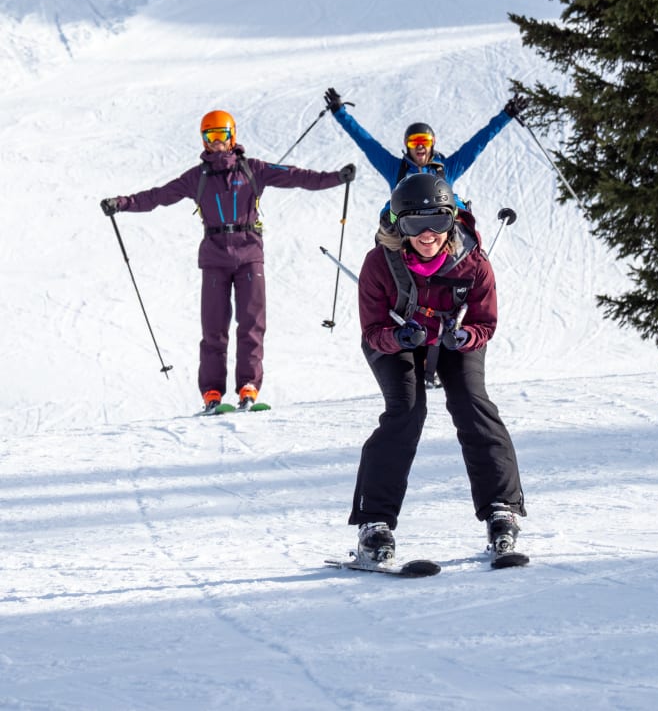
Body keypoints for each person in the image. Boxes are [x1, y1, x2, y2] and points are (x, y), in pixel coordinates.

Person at [101, 109, 356, 413]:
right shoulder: (196, 178)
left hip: (249, 255)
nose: (217, 142)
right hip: (214, 258)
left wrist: (336, 178)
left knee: (251, 325)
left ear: (232, 135)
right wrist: (121, 203)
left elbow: (297, 176)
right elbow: (158, 196)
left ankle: (248, 386)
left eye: (222, 135)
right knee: (213, 328)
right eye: (210, 136)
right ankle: (211, 392)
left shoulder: (254, 169)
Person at [350, 172, 526, 562]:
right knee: (406, 411)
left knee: (472, 402)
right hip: (398, 338)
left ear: (452, 220)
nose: (428, 234)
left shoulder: (474, 264)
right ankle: (373, 523)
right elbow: (373, 329)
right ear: (400, 225)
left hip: (453, 337)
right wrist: (400, 339)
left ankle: (502, 510)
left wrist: (468, 338)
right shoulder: (380, 264)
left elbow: (485, 321)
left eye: (438, 222)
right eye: (415, 223)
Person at [323, 86, 528, 220]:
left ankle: (468, 262)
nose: (420, 146)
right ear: (407, 145)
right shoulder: (395, 168)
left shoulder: (448, 168)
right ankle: (389, 270)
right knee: (388, 214)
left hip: (443, 224)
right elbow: (366, 142)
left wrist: (506, 116)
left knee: (459, 209)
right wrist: (340, 113)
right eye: (414, 141)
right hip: (406, 225)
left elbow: (478, 143)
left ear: (432, 144)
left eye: (425, 141)